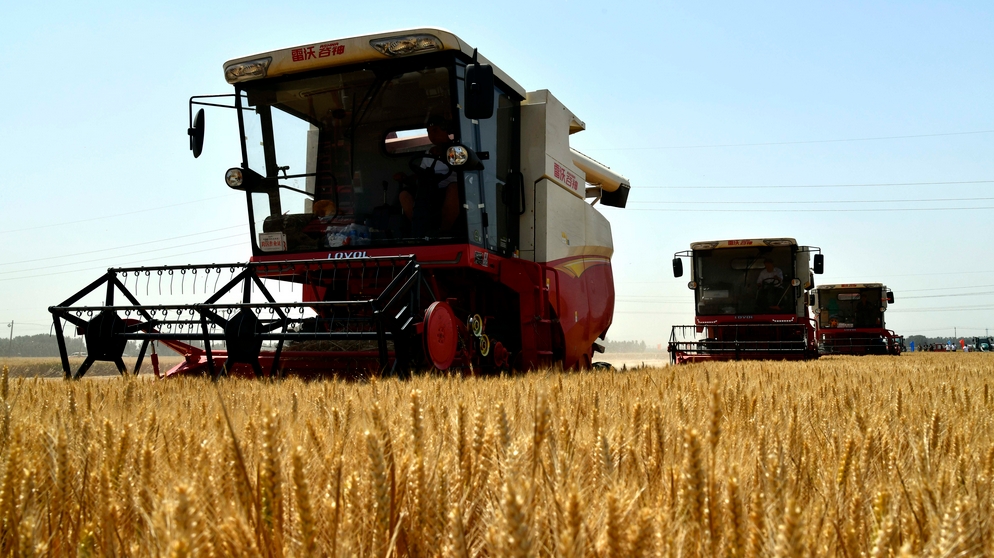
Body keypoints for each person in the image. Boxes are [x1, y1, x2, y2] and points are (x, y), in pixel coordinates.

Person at [397, 121, 461, 237]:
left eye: (435, 130)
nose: (431, 135)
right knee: (404, 195)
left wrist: (443, 153)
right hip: (430, 189)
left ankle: (443, 233)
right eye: (429, 132)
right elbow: (421, 174)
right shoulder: (428, 153)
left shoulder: (458, 149)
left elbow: (462, 169)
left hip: (450, 188)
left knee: (454, 188)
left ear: (445, 130)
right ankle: (419, 232)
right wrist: (405, 178)